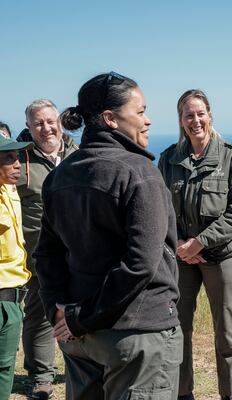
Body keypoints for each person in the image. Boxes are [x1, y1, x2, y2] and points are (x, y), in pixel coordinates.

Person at [34, 72, 183, 400]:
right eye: (141, 112)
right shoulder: (141, 174)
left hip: (80, 339)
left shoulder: (59, 176)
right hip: (135, 336)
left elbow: (47, 255)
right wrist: (78, 318)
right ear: (111, 119)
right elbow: (141, 265)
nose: (148, 120)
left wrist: (59, 311)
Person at [158, 89, 232, 400]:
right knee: (177, 331)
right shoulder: (169, 159)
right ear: (181, 121)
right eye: (188, 115)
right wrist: (181, 244)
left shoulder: (231, 158)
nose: (195, 120)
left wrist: (200, 242)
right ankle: (183, 394)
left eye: (200, 113)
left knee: (227, 333)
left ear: (210, 115)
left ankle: (230, 394)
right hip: (181, 257)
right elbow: (160, 209)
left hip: (223, 256)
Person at [15, 99, 78, 400]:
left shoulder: (78, 155)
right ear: (28, 127)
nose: (46, 127)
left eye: (50, 120)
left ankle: (80, 367)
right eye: (38, 123)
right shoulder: (19, 161)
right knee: (40, 317)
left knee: (80, 311)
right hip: (37, 254)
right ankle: (41, 377)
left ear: (60, 121)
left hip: (79, 252)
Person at [0, 135, 33, 399]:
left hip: (13, 297)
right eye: (8, 159)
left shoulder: (9, 190)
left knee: (5, 367)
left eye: (18, 158)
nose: (17, 165)